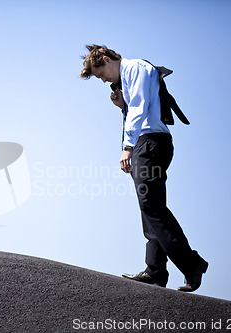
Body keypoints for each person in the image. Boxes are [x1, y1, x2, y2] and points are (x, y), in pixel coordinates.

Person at [80, 44, 208, 292]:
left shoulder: (135, 68)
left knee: (151, 205)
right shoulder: (128, 78)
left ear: (107, 59)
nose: (103, 80)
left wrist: (127, 147)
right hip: (148, 144)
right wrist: (122, 107)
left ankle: (192, 264)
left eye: (100, 73)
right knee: (150, 206)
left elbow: (139, 108)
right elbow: (140, 108)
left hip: (150, 144)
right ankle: (155, 271)